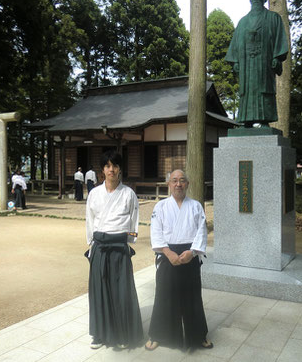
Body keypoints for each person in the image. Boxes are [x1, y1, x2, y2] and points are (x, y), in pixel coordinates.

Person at [145, 169, 212, 351]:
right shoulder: (160, 207)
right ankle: (158, 334)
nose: (178, 184)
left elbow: (201, 231)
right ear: (169, 184)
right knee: (164, 296)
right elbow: (156, 232)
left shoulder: (196, 206)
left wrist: (192, 252)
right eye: (174, 180)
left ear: (187, 184)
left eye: (182, 180)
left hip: (189, 254)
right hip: (167, 255)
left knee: (192, 297)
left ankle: (198, 335)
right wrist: (167, 251)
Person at [85, 150, 143, 349]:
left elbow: (134, 223)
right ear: (102, 170)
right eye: (108, 166)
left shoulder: (128, 194)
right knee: (99, 292)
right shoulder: (94, 193)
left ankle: (123, 333)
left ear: (119, 169)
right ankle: (99, 334)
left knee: (121, 292)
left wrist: (129, 242)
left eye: (115, 166)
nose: (111, 169)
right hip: (100, 246)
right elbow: (90, 221)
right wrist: (91, 244)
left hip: (119, 246)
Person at [225, 0, 288, 127]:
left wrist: (277, 58)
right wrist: (235, 60)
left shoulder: (273, 18)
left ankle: (265, 120)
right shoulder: (242, 22)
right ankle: (247, 121)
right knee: (247, 90)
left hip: (264, 63)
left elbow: (279, 40)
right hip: (246, 64)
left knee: (264, 89)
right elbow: (235, 44)